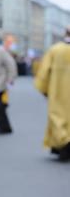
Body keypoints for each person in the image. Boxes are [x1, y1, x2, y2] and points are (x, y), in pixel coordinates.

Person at [35, 26, 70, 161]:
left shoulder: (55, 50)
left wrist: (44, 90)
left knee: (57, 118)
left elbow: (43, 72)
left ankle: (63, 143)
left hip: (57, 92)